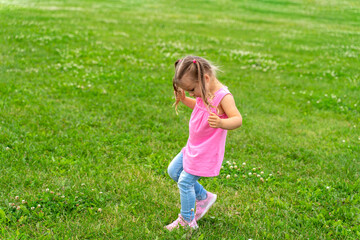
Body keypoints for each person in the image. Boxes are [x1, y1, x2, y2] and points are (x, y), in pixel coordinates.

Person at [165, 56, 242, 231]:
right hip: (193, 146)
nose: (192, 93)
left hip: (206, 151)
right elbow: (199, 107)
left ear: (205, 78)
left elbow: (237, 119)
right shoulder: (204, 90)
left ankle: (187, 221)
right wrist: (185, 100)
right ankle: (203, 197)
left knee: (185, 181)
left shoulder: (223, 97)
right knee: (174, 171)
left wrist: (222, 123)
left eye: (192, 89)